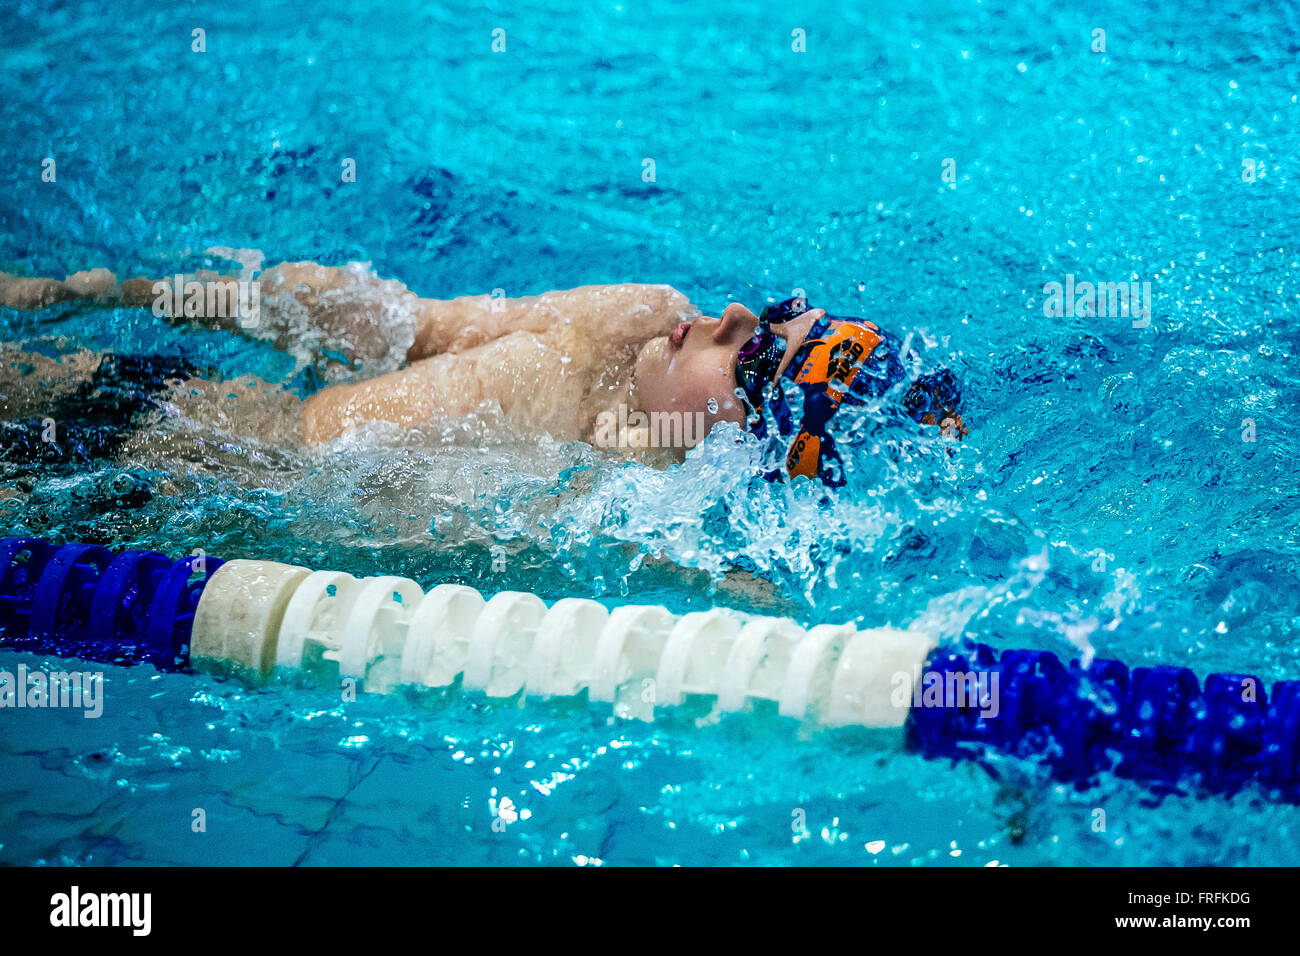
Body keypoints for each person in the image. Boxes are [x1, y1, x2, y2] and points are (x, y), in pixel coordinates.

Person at [0, 259, 966, 485]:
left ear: (745, 445)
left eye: (759, 350)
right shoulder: (634, 320)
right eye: (787, 311)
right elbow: (405, 322)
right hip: (185, 411)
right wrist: (109, 290)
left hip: (152, 480)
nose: (739, 314)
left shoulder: (629, 513)